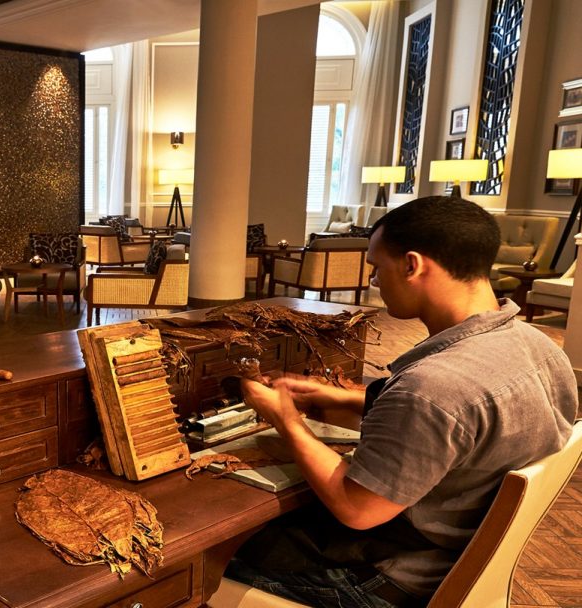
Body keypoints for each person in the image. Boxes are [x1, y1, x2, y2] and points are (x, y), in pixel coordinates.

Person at [225, 196, 578, 607]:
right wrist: (346, 398)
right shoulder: (541, 348)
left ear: (412, 265)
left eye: (376, 268)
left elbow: (357, 509)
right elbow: (463, 425)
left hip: (391, 581)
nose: (374, 281)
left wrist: (285, 420)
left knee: (216, 555)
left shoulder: (430, 389)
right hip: (461, 559)